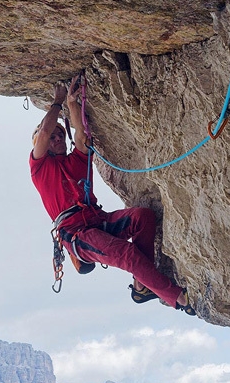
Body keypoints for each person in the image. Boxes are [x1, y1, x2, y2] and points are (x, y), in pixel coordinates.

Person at [29, 76, 196, 315]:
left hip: (97, 220)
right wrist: (57, 103)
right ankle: (178, 298)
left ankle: (142, 287)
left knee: (143, 218)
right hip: (77, 233)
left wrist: (72, 103)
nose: (56, 139)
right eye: (52, 138)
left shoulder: (76, 160)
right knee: (126, 254)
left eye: (60, 136)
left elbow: (80, 134)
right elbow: (44, 132)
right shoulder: (39, 168)